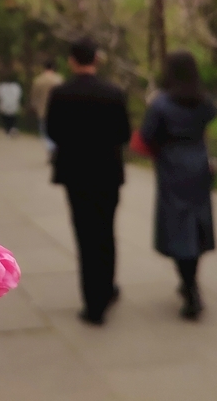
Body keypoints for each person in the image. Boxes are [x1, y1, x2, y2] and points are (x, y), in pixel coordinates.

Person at [46, 38, 130, 325]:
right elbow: (124, 133)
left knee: (85, 235)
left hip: (76, 174)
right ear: (97, 58)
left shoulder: (61, 93)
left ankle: (94, 304)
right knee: (106, 231)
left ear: (72, 61)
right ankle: (108, 288)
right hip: (108, 174)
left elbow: (54, 131)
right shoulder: (114, 93)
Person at [138, 50, 217, 320]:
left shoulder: (161, 104)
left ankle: (189, 286)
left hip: (172, 167)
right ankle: (191, 281)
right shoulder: (203, 102)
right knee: (195, 222)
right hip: (199, 165)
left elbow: (147, 136)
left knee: (178, 226)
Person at [30, 61, 64, 159]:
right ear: (53, 68)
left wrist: (34, 106)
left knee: (45, 132)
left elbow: (34, 97)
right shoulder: (59, 79)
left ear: (44, 68)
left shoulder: (38, 80)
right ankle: (55, 148)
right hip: (58, 110)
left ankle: (51, 148)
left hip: (43, 110)